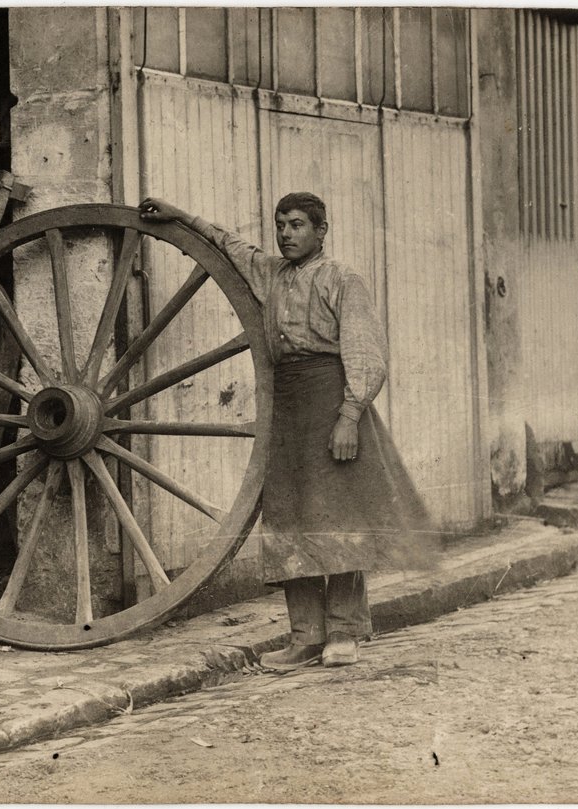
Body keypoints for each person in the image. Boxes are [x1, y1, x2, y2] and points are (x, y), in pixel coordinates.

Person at [139, 193, 435, 670]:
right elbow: (227, 244)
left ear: (321, 231)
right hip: (286, 403)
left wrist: (349, 415)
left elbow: (365, 350)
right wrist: (179, 216)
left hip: (331, 398)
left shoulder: (342, 279)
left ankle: (343, 632)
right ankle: (305, 636)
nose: (286, 233)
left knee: (338, 516)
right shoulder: (271, 273)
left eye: (298, 225)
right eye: (280, 225)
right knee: (291, 516)